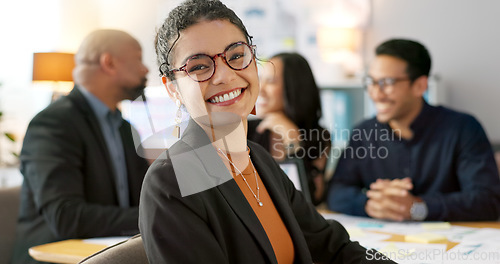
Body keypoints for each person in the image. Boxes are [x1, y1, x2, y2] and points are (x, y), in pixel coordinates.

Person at [139, 0, 395, 263]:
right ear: (172, 89)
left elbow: (334, 247)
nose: (225, 76)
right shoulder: (172, 181)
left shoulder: (259, 159)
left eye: (236, 55)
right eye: (199, 66)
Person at [11, 29, 150, 264]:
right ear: (109, 63)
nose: (145, 69)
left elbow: (142, 197)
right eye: (138, 58)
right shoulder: (53, 123)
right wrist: (153, 216)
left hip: (111, 253)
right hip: (57, 258)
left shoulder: (125, 128)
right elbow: (67, 218)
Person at [327, 38, 500, 222]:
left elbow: (487, 201)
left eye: (387, 82)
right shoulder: (363, 132)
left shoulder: (463, 129)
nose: (376, 93)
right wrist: (371, 204)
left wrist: (418, 207)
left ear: (420, 86)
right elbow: (336, 192)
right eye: (371, 81)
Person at [248, 52, 331, 205]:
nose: (261, 89)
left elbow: (310, 200)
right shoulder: (247, 131)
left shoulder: (319, 137)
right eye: (261, 80)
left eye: (271, 81)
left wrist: (292, 139)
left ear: (295, 88)